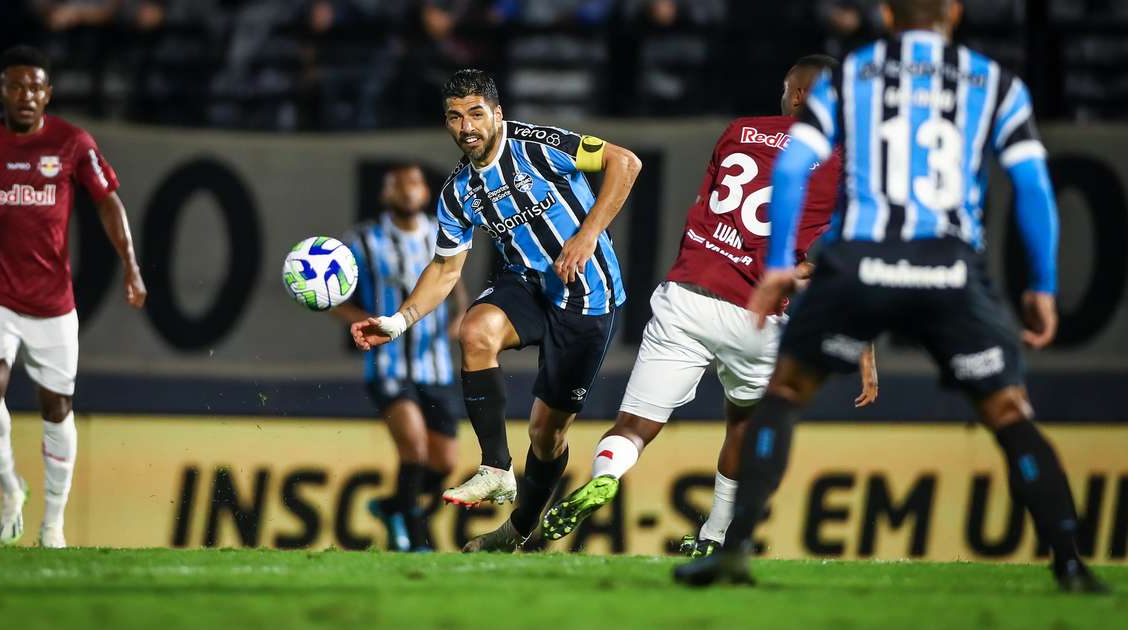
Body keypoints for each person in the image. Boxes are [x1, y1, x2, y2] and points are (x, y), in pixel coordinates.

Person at [673, 0, 1107, 593]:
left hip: (862, 263)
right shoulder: (998, 84)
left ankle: (732, 549)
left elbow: (794, 166)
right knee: (1008, 412)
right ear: (954, 12)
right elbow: (1033, 187)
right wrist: (1044, 286)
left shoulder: (853, 74)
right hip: (951, 268)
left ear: (885, 14)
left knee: (783, 393)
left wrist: (778, 264)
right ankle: (1071, 563)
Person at [540, 55, 878, 554]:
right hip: (759, 312)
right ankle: (716, 536)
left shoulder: (740, 131)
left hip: (688, 294)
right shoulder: (846, 163)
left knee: (634, 426)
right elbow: (851, 255)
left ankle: (608, 472)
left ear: (800, 95)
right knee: (743, 419)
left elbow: (716, 202)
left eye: (787, 89)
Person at [351, 69, 641, 552]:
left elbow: (625, 163)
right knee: (475, 332)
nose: (467, 127)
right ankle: (495, 468)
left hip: (587, 300)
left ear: (498, 113)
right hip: (525, 286)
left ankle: (518, 528)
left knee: (547, 436)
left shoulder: (540, 144)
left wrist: (587, 234)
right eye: (455, 117)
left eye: (476, 114)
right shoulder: (458, 192)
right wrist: (398, 321)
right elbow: (445, 269)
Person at [0, 45, 146, 549]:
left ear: (48, 94)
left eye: (35, 87)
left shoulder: (73, 143)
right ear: (0, 92)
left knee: (57, 407)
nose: (25, 96)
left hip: (52, 300)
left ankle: (53, 524)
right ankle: (10, 488)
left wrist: (131, 266)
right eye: (16, 86)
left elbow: (107, 200)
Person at [330, 163, 465, 551]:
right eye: (397, 185)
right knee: (415, 448)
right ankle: (414, 538)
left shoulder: (443, 235)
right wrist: (361, 320)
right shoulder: (363, 240)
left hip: (435, 365)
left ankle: (392, 506)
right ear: (385, 195)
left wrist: (460, 320)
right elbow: (331, 294)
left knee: (444, 464)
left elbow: (456, 286)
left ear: (425, 192)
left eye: (414, 183)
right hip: (388, 365)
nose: (407, 190)